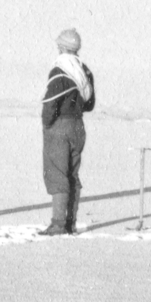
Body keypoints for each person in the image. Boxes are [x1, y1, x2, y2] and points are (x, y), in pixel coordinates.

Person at [39, 28, 95, 236]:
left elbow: (50, 104)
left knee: (57, 173)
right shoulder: (84, 70)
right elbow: (90, 104)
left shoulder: (59, 70)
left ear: (61, 47)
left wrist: (47, 124)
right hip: (78, 126)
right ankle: (70, 223)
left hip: (59, 127)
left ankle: (58, 224)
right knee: (72, 174)